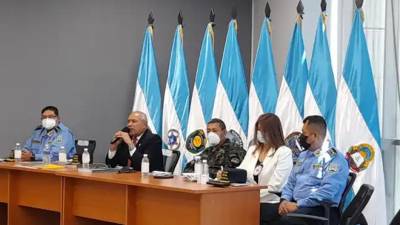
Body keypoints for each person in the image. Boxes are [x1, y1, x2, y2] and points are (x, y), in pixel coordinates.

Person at [271, 115, 349, 225]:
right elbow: (291, 182)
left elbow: (327, 192)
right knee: (261, 212)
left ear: (314, 136)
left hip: (320, 210)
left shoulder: (334, 159)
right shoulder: (303, 156)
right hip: (296, 204)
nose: (301, 136)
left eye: (304, 133)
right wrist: (284, 200)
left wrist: (298, 205)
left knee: (287, 221)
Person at [238, 113, 293, 225]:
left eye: (263, 130)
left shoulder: (283, 152)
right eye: (258, 130)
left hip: (270, 201)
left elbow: (276, 186)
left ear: (273, 132)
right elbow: (241, 173)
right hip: (248, 199)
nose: (259, 133)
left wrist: (250, 197)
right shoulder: (253, 149)